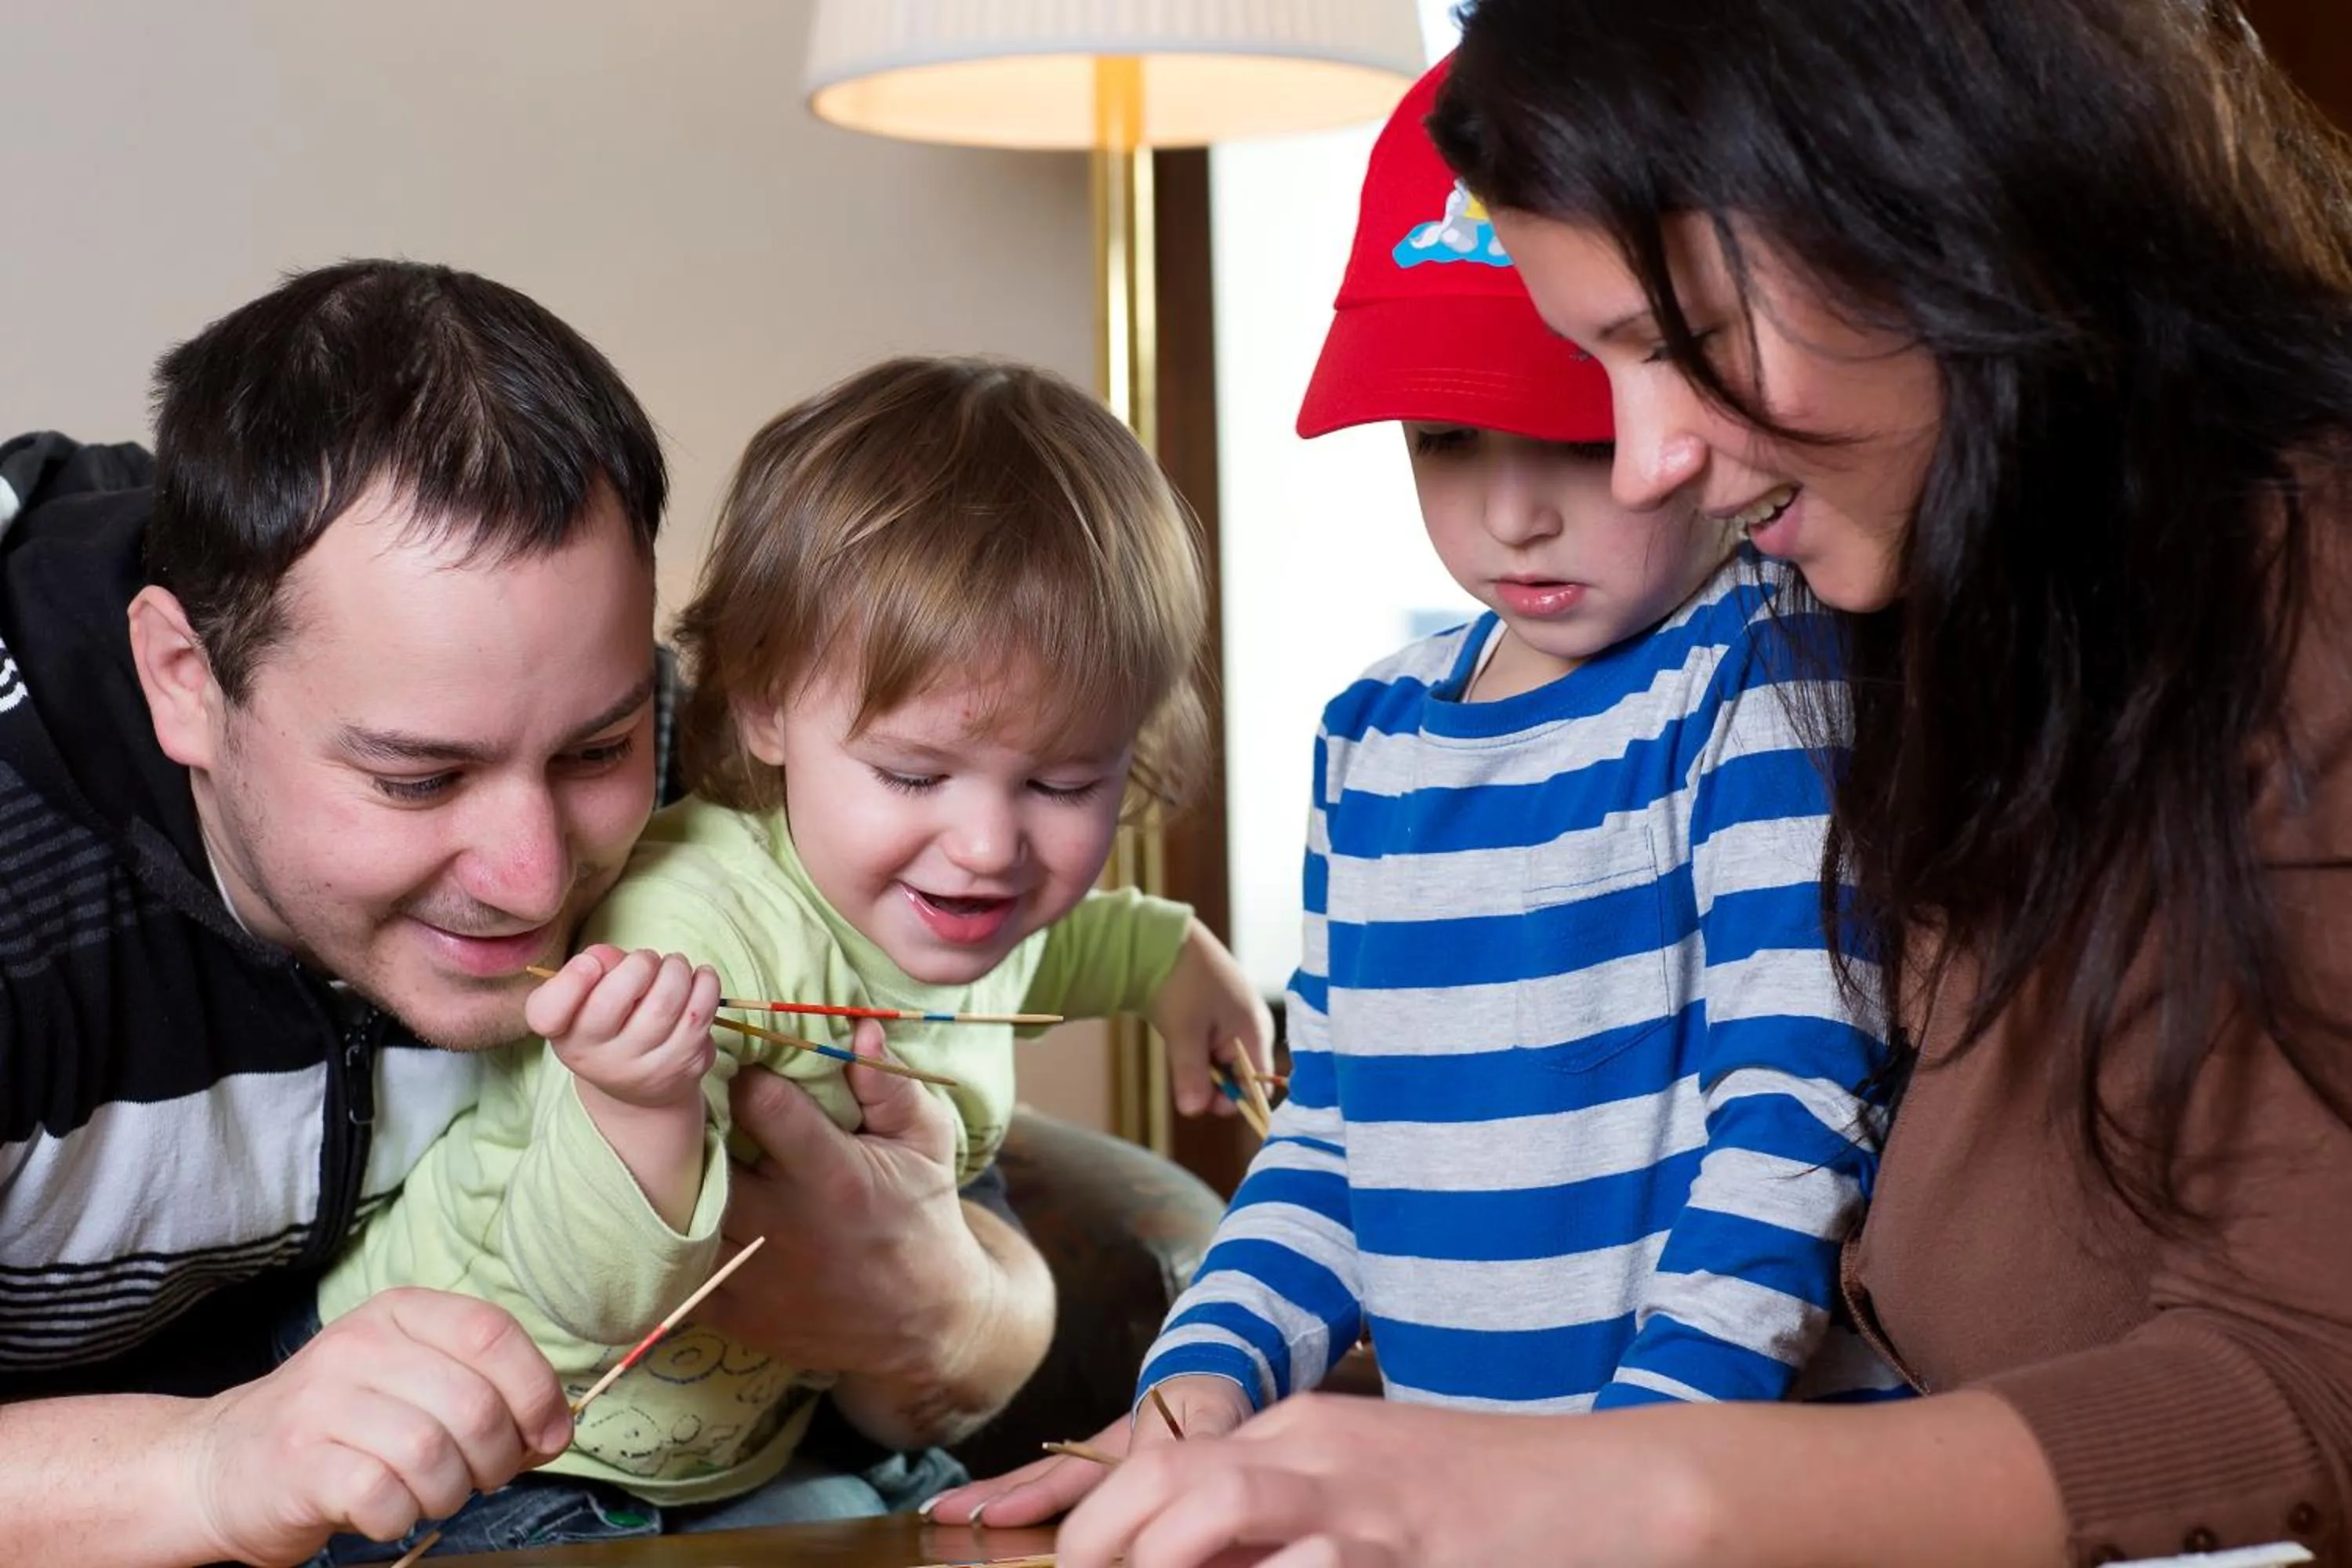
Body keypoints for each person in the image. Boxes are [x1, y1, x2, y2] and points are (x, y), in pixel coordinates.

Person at [1048, 2, 2352, 1566]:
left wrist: (1629, 1486)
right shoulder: (1904, 615)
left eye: (1673, 347)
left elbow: (2304, 1375)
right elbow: (1349, 1143)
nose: (1647, 455)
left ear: (1918, 197)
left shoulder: (2291, 590)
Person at [934, 55, 1893, 1533]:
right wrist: (1194, 1398)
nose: (1511, 510)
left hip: (1725, 1502)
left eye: (1573, 432)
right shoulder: (1372, 740)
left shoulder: (1758, 674)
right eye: (1447, 438)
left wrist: (1634, 1475)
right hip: (1485, 1513)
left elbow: (1798, 1111)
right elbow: (1334, 1140)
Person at [0, 263, 1058, 1568]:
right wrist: (210, 1463)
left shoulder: (701, 772)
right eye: (417, 777)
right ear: (183, 683)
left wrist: (943, 1315)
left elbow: (958, 1236)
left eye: (593, 753)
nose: (532, 876)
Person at [307, 354, 1272, 1560]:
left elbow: (1090, 944)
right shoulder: (690, 923)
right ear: (765, 706)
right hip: (480, 1444)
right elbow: (592, 1299)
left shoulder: (985, 909)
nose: (985, 848)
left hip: (746, 1445)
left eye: (1064, 782)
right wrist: (636, 1098)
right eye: (915, 775)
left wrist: (1186, 966)